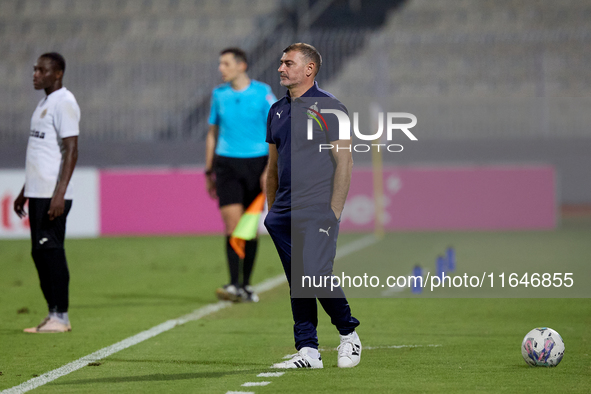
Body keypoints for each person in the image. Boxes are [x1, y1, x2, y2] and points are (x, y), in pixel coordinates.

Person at [264, 43, 361, 368]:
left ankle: (349, 333)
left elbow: (344, 163)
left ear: (309, 69)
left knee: (316, 274)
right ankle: (308, 350)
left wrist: (333, 211)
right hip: (283, 213)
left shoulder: (329, 107)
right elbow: (273, 166)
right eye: (281, 62)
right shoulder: (276, 110)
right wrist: (272, 212)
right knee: (298, 279)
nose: (281, 68)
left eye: (288, 63)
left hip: (318, 209)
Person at [13, 52, 80, 333]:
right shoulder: (45, 102)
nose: (35, 74)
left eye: (42, 70)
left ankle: (60, 316)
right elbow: (40, 153)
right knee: (39, 253)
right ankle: (53, 313)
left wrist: (59, 194)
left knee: (51, 251)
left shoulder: (64, 102)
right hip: (38, 190)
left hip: (53, 193)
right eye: (34, 69)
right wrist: (24, 191)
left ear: (57, 74)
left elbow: (71, 149)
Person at [205, 48, 276, 302]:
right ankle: (234, 283)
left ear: (241, 65)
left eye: (225, 63)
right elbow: (212, 132)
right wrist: (208, 169)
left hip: (257, 165)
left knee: (249, 229)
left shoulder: (262, 93)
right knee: (232, 225)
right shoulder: (218, 95)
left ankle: (246, 284)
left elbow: (277, 132)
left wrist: (269, 168)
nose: (220, 68)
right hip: (226, 165)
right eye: (220, 63)